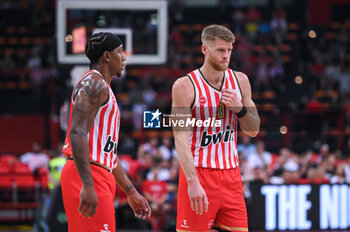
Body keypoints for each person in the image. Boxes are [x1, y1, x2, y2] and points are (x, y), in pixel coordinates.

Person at [171, 25, 260, 232]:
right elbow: (181, 139)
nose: (226, 55)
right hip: (199, 173)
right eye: (220, 50)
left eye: (229, 50)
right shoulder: (184, 86)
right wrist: (192, 182)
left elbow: (254, 129)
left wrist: (240, 110)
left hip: (232, 175)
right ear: (204, 49)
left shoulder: (241, 81)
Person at [61, 32, 151, 232]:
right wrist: (88, 184)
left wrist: (131, 191)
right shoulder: (94, 83)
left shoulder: (103, 88)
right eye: (120, 52)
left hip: (99, 172)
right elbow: (77, 132)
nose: (124, 57)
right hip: (88, 174)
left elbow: (108, 153)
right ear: (107, 56)